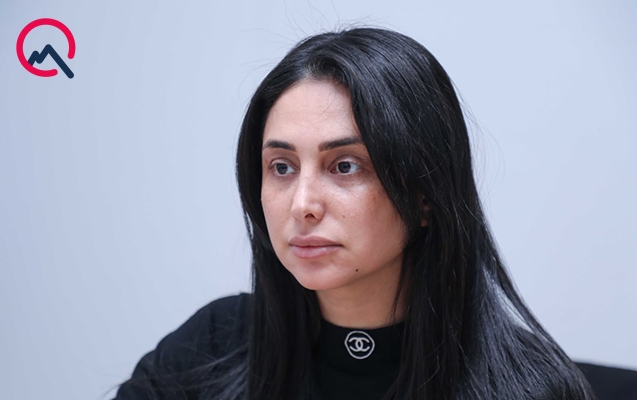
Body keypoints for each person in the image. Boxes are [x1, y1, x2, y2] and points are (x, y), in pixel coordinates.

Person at [113, 27, 597, 400]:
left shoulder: (528, 387)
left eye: (345, 166)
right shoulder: (210, 348)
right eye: (281, 167)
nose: (302, 204)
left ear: (426, 196)